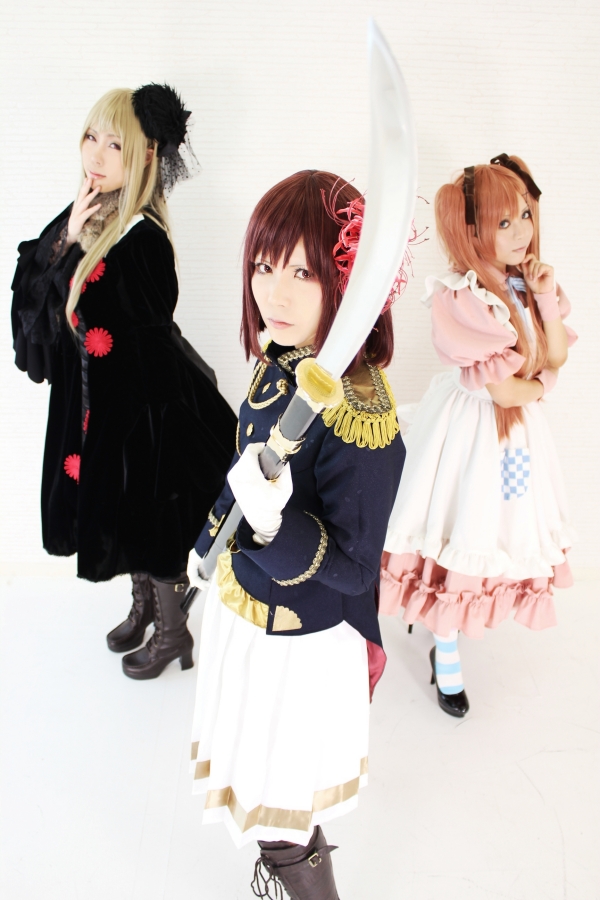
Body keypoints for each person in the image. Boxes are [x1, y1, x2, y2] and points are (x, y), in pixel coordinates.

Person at [187, 170, 405, 899]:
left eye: (302, 272)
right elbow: (243, 468)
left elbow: (355, 569)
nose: (273, 294)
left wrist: (276, 526)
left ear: (347, 281)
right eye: (263, 266)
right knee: (257, 781)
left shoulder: (361, 414)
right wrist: (209, 541)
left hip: (300, 641)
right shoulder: (283, 361)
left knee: (281, 803)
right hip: (245, 611)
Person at [11, 85, 237, 679]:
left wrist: (140, 433)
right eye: (91, 136)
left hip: (140, 408)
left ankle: (173, 631)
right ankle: (145, 609)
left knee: (148, 517)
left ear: (145, 155)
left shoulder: (142, 237)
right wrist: (67, 236)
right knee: (121, 514)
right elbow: (32, 304)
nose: (96, 153)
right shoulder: (91, 217)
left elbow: (146, 340)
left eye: (114, 144)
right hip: (95, 400)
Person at [380, 155, 577, 717]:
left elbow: (556, 354)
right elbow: (507, 392)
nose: (520, 232)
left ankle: (450, 631)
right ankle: (445, 651)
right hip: (469, 432)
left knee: (499, 525)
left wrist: (544, 295)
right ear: (470, 231)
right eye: (502, 222)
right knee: (462, 524)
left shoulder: (524, 282)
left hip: (516, 440)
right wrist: (544, 384)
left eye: (524, 216)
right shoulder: (463, 295)